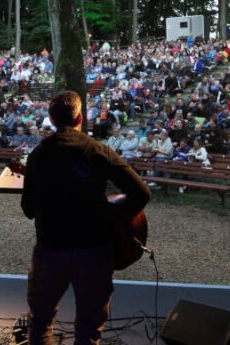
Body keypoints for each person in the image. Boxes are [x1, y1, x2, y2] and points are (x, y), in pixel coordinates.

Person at [21, 90, 151, 345]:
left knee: (40, 324)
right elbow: (141, 192)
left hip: (51, 249)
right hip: (93, 250)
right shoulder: (98, 150)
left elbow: (28, 209)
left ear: (51, 118)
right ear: (80, 117)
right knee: (89, 330)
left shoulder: (39, 154)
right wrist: (114, 216)